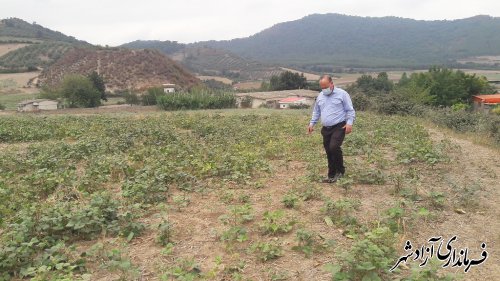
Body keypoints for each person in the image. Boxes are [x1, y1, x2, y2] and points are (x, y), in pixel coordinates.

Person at [308, 75, 355, 183]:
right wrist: (312, 124)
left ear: (331, 84)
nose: (324, 89)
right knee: (329, 151)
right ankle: (331, 175)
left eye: (325, 87)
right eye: (322, 87)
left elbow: (350, 110)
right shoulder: (320, 96)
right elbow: (317, 111)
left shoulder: (342, 94)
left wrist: (349, 123)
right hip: (326, 128)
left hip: (339, 126)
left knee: (334, 147)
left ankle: (340, 171)